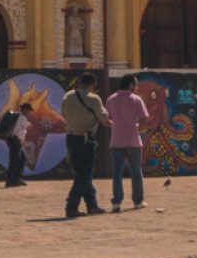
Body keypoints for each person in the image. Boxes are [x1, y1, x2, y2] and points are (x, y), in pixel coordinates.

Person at [60, 73, 109, 219]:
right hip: (85, 140)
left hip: (71, 138)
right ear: (92, 85)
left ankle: (92, 205)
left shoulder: (67, 96)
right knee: (84, 175)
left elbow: (63, 113)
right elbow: (103, 118)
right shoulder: (94, 98)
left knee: (82, 173)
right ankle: (71, 206)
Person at [106, 75, 149, 211]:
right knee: (136, 171)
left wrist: (116, 126)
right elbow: (144, 118)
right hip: (133, 141)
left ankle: (116, 203)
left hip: (116, 140)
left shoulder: (111, 99)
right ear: (131, 85)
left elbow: (107, 119)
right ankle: (137, 201)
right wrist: (137, 128)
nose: (136, 88)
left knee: (117, 173)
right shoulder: (136, 99)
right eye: (135, 85)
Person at [4, 102, 34, 188]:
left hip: (15, 141)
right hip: (15, 141)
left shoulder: (19, 117)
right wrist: (31, 124)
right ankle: (10, 181)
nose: (29, 112)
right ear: (25, 110)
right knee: (15, 161)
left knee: (22, 158)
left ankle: (17, 178)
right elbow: (29, 127)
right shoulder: (22, 117)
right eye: (28, 110)